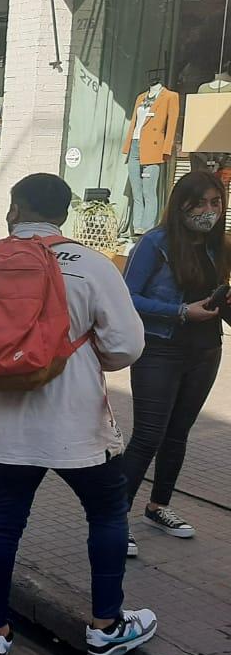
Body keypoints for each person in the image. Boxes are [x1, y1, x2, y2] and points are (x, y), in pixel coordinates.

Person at [0, 173, 155, 655]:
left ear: (15, 209)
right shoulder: (93, 266)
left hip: (6, 428)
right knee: (106, 514)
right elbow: (128, 345)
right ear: (64, 213)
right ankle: (106, 628)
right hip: (76, 422)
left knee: (2, 523)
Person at [120, 171, 229, 554]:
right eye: (199, 203)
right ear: (180, 203)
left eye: (215, 203)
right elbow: (126, 296)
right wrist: (180, 311)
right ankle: (114, 521)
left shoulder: (219, 245)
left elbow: (215, 301)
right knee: (148, 435)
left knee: (177, 434)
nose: (208, 211)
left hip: (205, 350)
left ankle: (158, 507)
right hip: (159, 349)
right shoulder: (155, 243)